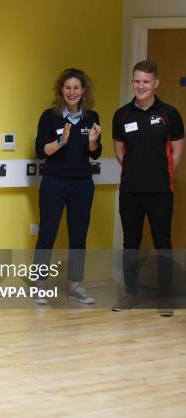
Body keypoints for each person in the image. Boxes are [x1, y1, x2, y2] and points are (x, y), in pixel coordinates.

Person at [111, 60, 184, 316]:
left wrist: (158, 173)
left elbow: (176, 152)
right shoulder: (122, 115)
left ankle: (164, 297)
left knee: (162, 241)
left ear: (155, 83)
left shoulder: (169, 114)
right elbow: (120, 150)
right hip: (130, 190)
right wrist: (134, 170)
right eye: (137, 81)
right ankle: (130, 294)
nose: (140, 86)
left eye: (145, 81)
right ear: (133, 82)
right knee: (130, 241)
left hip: (161, 190)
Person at [32, 68, 102, 305]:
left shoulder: (92, 117)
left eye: (76, 88)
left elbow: (95, 153)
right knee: (47, 234)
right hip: (54, 181)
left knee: (78, 237)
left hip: (82, 183)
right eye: (67, 87)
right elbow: (41, 151)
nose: (71, 92)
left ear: (83, 91)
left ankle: (75, 285)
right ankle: (39, 285)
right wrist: (62, 140)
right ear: (61, 91)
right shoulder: (49, 117)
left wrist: (93, 142)